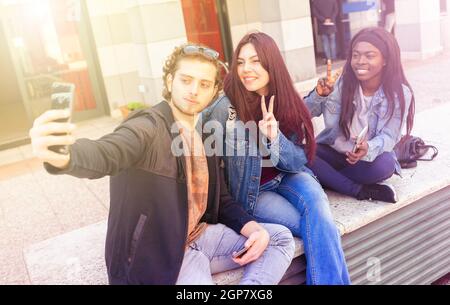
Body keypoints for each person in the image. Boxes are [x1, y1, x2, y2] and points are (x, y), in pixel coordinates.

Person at [29, 44, 295, 285]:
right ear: (170, 81)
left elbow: (222, 199)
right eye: (186, 80)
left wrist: (254, 229)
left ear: (214, 91)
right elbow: (108, 152)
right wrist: (65, 157)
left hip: (200, 238)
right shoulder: (148, 126)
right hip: (160, 256)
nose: (194, 90)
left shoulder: (205, 133)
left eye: (204, 84)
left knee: (279, 238)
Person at [204, 32, 350, 285]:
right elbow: (203, 152)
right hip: (255, 191)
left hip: (289, 176)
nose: (246, 69)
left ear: (272, 64)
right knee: (318, 227)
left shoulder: (282, 97)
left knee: (319, 211)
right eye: (241, 62)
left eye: (256, 61)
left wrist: (275, 138)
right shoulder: (224, 108)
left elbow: (294, 162)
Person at [304, 27, 415, 203]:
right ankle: (359, 190)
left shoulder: (399, 94)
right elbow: (302, 115)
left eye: (369, 56)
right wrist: (319, 94)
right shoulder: (339, 83)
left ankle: (326, 178)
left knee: (385, 165)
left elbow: (389, 136)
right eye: (355, 55)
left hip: (366, 161)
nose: (360, 61)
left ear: (385, 59)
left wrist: (368, 148)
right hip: (333, 153)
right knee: (301, 151)